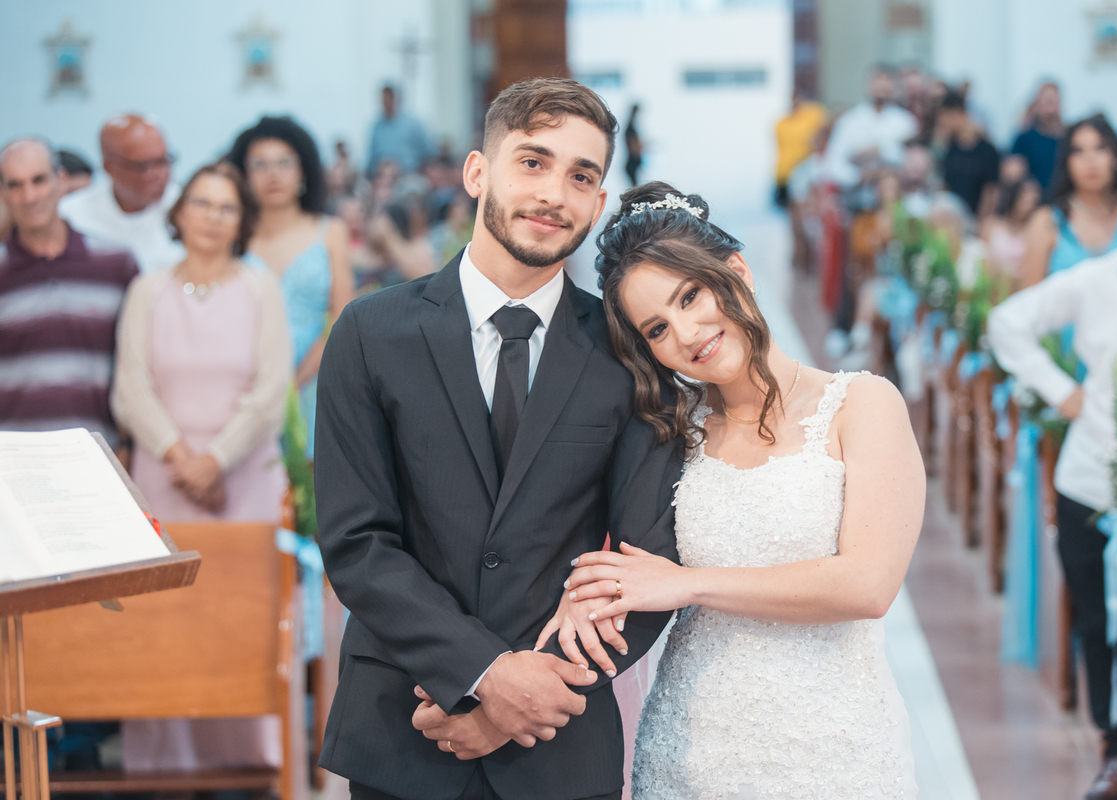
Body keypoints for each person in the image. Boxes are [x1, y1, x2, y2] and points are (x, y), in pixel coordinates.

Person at [314, 78, 683, 800]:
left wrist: (530, 694)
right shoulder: (370, 333)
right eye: (533, 162)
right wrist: (485, 675)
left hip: (560, 736)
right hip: (407, 723)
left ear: (599, 203)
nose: (554, 194)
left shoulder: (628, 352)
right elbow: (357, 542)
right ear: (478, 172)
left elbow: (647, 563)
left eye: (581, 176)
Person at [539, 181, 923, 798]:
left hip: (835, 749)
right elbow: (610, 544)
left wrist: (688, 584)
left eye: (691, 295)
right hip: (691, 750)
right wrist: (578, 595)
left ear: (736, 271)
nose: (687, 333)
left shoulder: (863, 404)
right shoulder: (668, 432)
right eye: (657, 329)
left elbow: (868, 585)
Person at [990, 157, 1117, 800]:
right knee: (1096, 621)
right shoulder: (1096, 279)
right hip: (1089, 484)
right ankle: (1113, 749)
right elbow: (1007, 323)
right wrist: (1063, 392)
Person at [111, 161, 291, 522]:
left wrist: (214, 462)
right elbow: (131, 391)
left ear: (242, 221)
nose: (213, 217)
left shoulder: (263, 289)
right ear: (179, 212)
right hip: (165, 474)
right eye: (202, 203)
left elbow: (271, 393)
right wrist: (184, 462)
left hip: (247, 477)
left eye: (227, 208)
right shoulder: (146, 291)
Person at [226, 116, 353, 459]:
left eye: (284, 163)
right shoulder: (232, 237)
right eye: (260, 165)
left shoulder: (330, 232)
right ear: (243, 175)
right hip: (242, 384)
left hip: (315, 378)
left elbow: (342, 321)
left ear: (303, 171)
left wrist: (293, 383)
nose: (273, 174)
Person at [0, 137, 138, 449]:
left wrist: (128, 445)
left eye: (38, 180)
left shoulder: (116, 264)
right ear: (3, 193)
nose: (29, 196)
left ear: (60, 181)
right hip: (12, 460)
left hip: (98, 453)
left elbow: (137, 370)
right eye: (15, 185)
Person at [59, 114, 185, 272]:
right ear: (109, 167)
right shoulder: (72, 217)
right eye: (144, 166)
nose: (159, 174)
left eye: (163, 161)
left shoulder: (186, 207)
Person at [1021, 114, 1117, 288]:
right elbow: (1030, 299)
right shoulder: (1047, 222)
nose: (1090, 159)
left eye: (1100, 148)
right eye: (1078, 151)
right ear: (1066, 162)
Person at [821, 67, 918, 187]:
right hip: (856, 190)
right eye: (878, 79)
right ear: (868, 84)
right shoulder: (849, 121)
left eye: (887, 80)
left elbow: (912, 162)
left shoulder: (905, 122)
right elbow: (833, 163)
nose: (882, 85)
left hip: (896, 189)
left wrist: (881, 152)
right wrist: (859, 175)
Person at [937, 89, 1001, 215]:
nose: (943, 124)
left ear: (958, 114)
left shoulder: (987, 150)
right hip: (953, 217)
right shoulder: (951, 149)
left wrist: (981, 221)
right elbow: (946, 187)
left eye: (945, 118)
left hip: (977, 219)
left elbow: (990, 191)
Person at [981, 177, 1042, 288]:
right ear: (1014, 197)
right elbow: (981, 258)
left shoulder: (1035, 231)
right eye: (1023, 201)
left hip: (1020, 288)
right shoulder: (991, 225)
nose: (1028, 207)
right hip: (991, 286)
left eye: (1032, 202)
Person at [367, 84, 434, 176]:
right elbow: (371, 160)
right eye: (383, 99)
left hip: (409, 176)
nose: (386, 102)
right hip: (383, 178)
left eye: (389, 98)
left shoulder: (413, 125)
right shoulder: (377, 128)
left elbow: (427, 152)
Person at [774, 91, 827, 205]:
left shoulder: (814, 115)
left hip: (804, 168)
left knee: (805, 202)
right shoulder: (781, 124)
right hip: (786, 172)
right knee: (791, 205)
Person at [1012, 82, 1064, 191]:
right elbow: (1012, 172)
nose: (1050, 105)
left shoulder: (1069, 138)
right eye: (1047, 101)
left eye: (1053, 100)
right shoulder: (1024, 139)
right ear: (1037, 104)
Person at [625, 103, 644, 187]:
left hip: (633, 163)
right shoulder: (630, 129)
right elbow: (633, 147)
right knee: (635, 189)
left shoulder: (631, 128)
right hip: (632, 163)